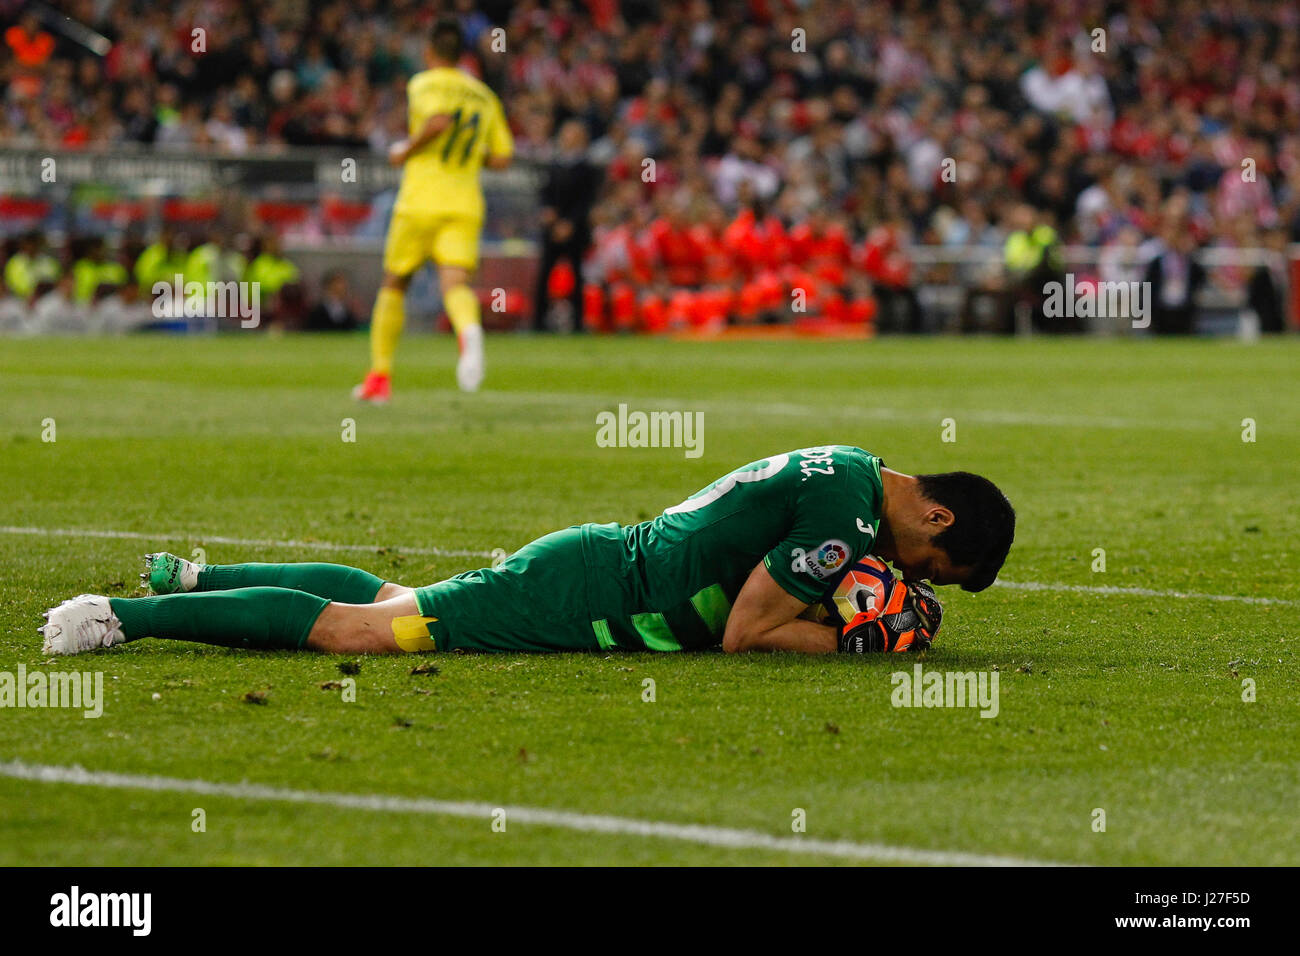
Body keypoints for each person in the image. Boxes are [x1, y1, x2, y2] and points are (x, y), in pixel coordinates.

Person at [39, 446, 1014, 657]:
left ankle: (199, 576)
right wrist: (855, 641)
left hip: (593, 562)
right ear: (936, 522)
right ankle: (123, 615)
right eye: (932, 570)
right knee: (362, 634)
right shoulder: (848, 512)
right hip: (586, 590)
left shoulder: (849, 470)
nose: (910, 579)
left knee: (397, 593)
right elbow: (747, 632)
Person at [352, 17, 513, 402]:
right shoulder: (483, 95)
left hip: (420, 200)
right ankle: (469, 331)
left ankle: (380, 377)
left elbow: (438, 121)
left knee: (395, 283)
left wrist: (404, 150)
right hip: (465, 203)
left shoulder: (424, 83)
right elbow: (503, 158)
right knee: (455, 285)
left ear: (429, 52)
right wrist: (472, 155)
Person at [533, 119, 601, 331]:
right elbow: (544, 193)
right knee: (544, 274)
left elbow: (587, 201)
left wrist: (570, 223)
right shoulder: (553, 164)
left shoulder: (588, 169)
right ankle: (538, 322)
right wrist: (546, 211)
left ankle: (578, 322)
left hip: (575, 231)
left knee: (577, 276)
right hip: (552, 229)